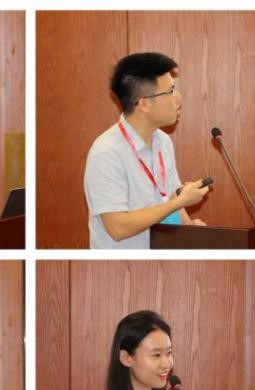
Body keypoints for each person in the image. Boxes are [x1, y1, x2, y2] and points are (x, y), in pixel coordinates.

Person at [84, 52, 210, 249]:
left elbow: (171, 197)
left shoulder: (163, 142)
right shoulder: (106, 152)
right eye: (170, 91)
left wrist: (190, 228)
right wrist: (176, 204)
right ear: (144, 103)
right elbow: (118, 227)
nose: (179, 98)